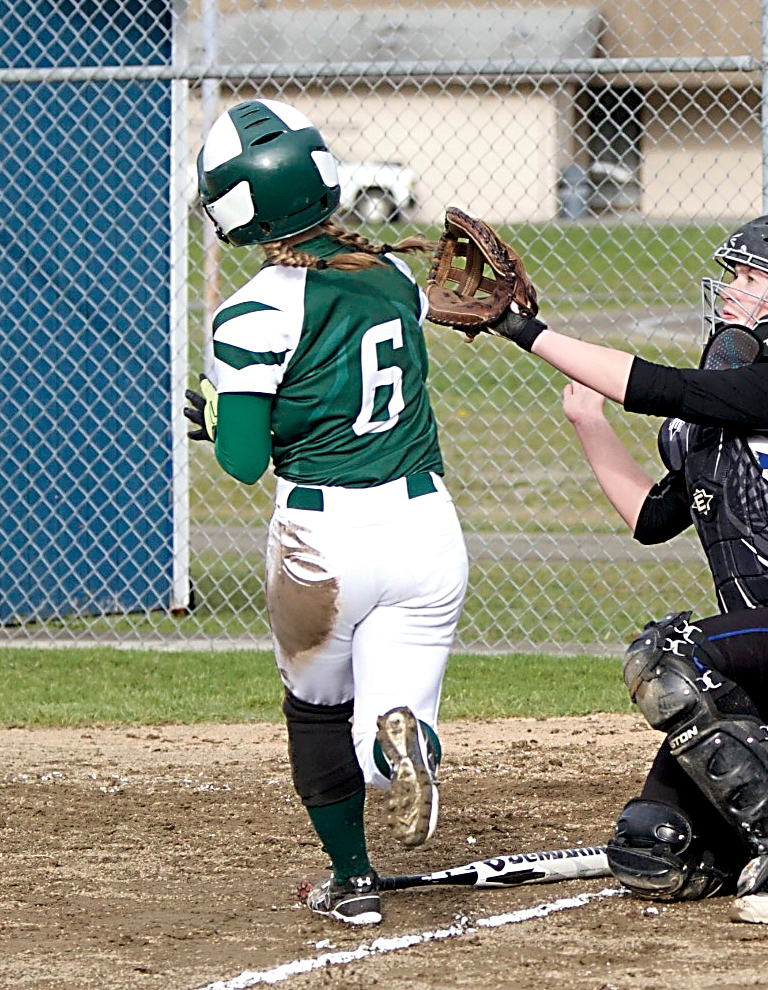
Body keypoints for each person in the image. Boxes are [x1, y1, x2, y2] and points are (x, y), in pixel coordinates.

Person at [488, 213, 768, 923]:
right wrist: (590, 424)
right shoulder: (720, 424)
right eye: (736, 274)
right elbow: (651, 519)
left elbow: (662, 388)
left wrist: (523, 330)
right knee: (655, 850)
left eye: (754, 279)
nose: (733, 290)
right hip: (760, 662)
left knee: (671, 657)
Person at [184, 99, 469, 927]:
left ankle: (355, 883)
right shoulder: (391, 274)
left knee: (315, 715)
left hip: (323, 540)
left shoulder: (251, 312)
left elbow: (244, 461)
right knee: (394, 720)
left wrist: (218, 412)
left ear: (241, 208)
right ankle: (401, 747)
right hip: (425, 528)